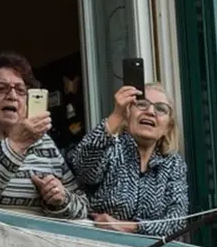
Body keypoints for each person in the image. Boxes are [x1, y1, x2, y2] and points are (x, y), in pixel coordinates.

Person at [68, 83, 189, 236]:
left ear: (168, 127)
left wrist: (129, 226)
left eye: (161, 109)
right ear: (127, 116)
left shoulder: (173, 163)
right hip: (95, 242)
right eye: (141, 104)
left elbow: (177, 222)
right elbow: (84, 169)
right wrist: (116, 117)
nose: (151, 111)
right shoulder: (111, 146)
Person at [0, 51, 88, 219]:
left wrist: (60, 199)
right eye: (1, 88)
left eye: (20, 90)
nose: (12, 96)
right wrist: (16, 143)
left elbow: (83, 207)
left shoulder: (43, 142)